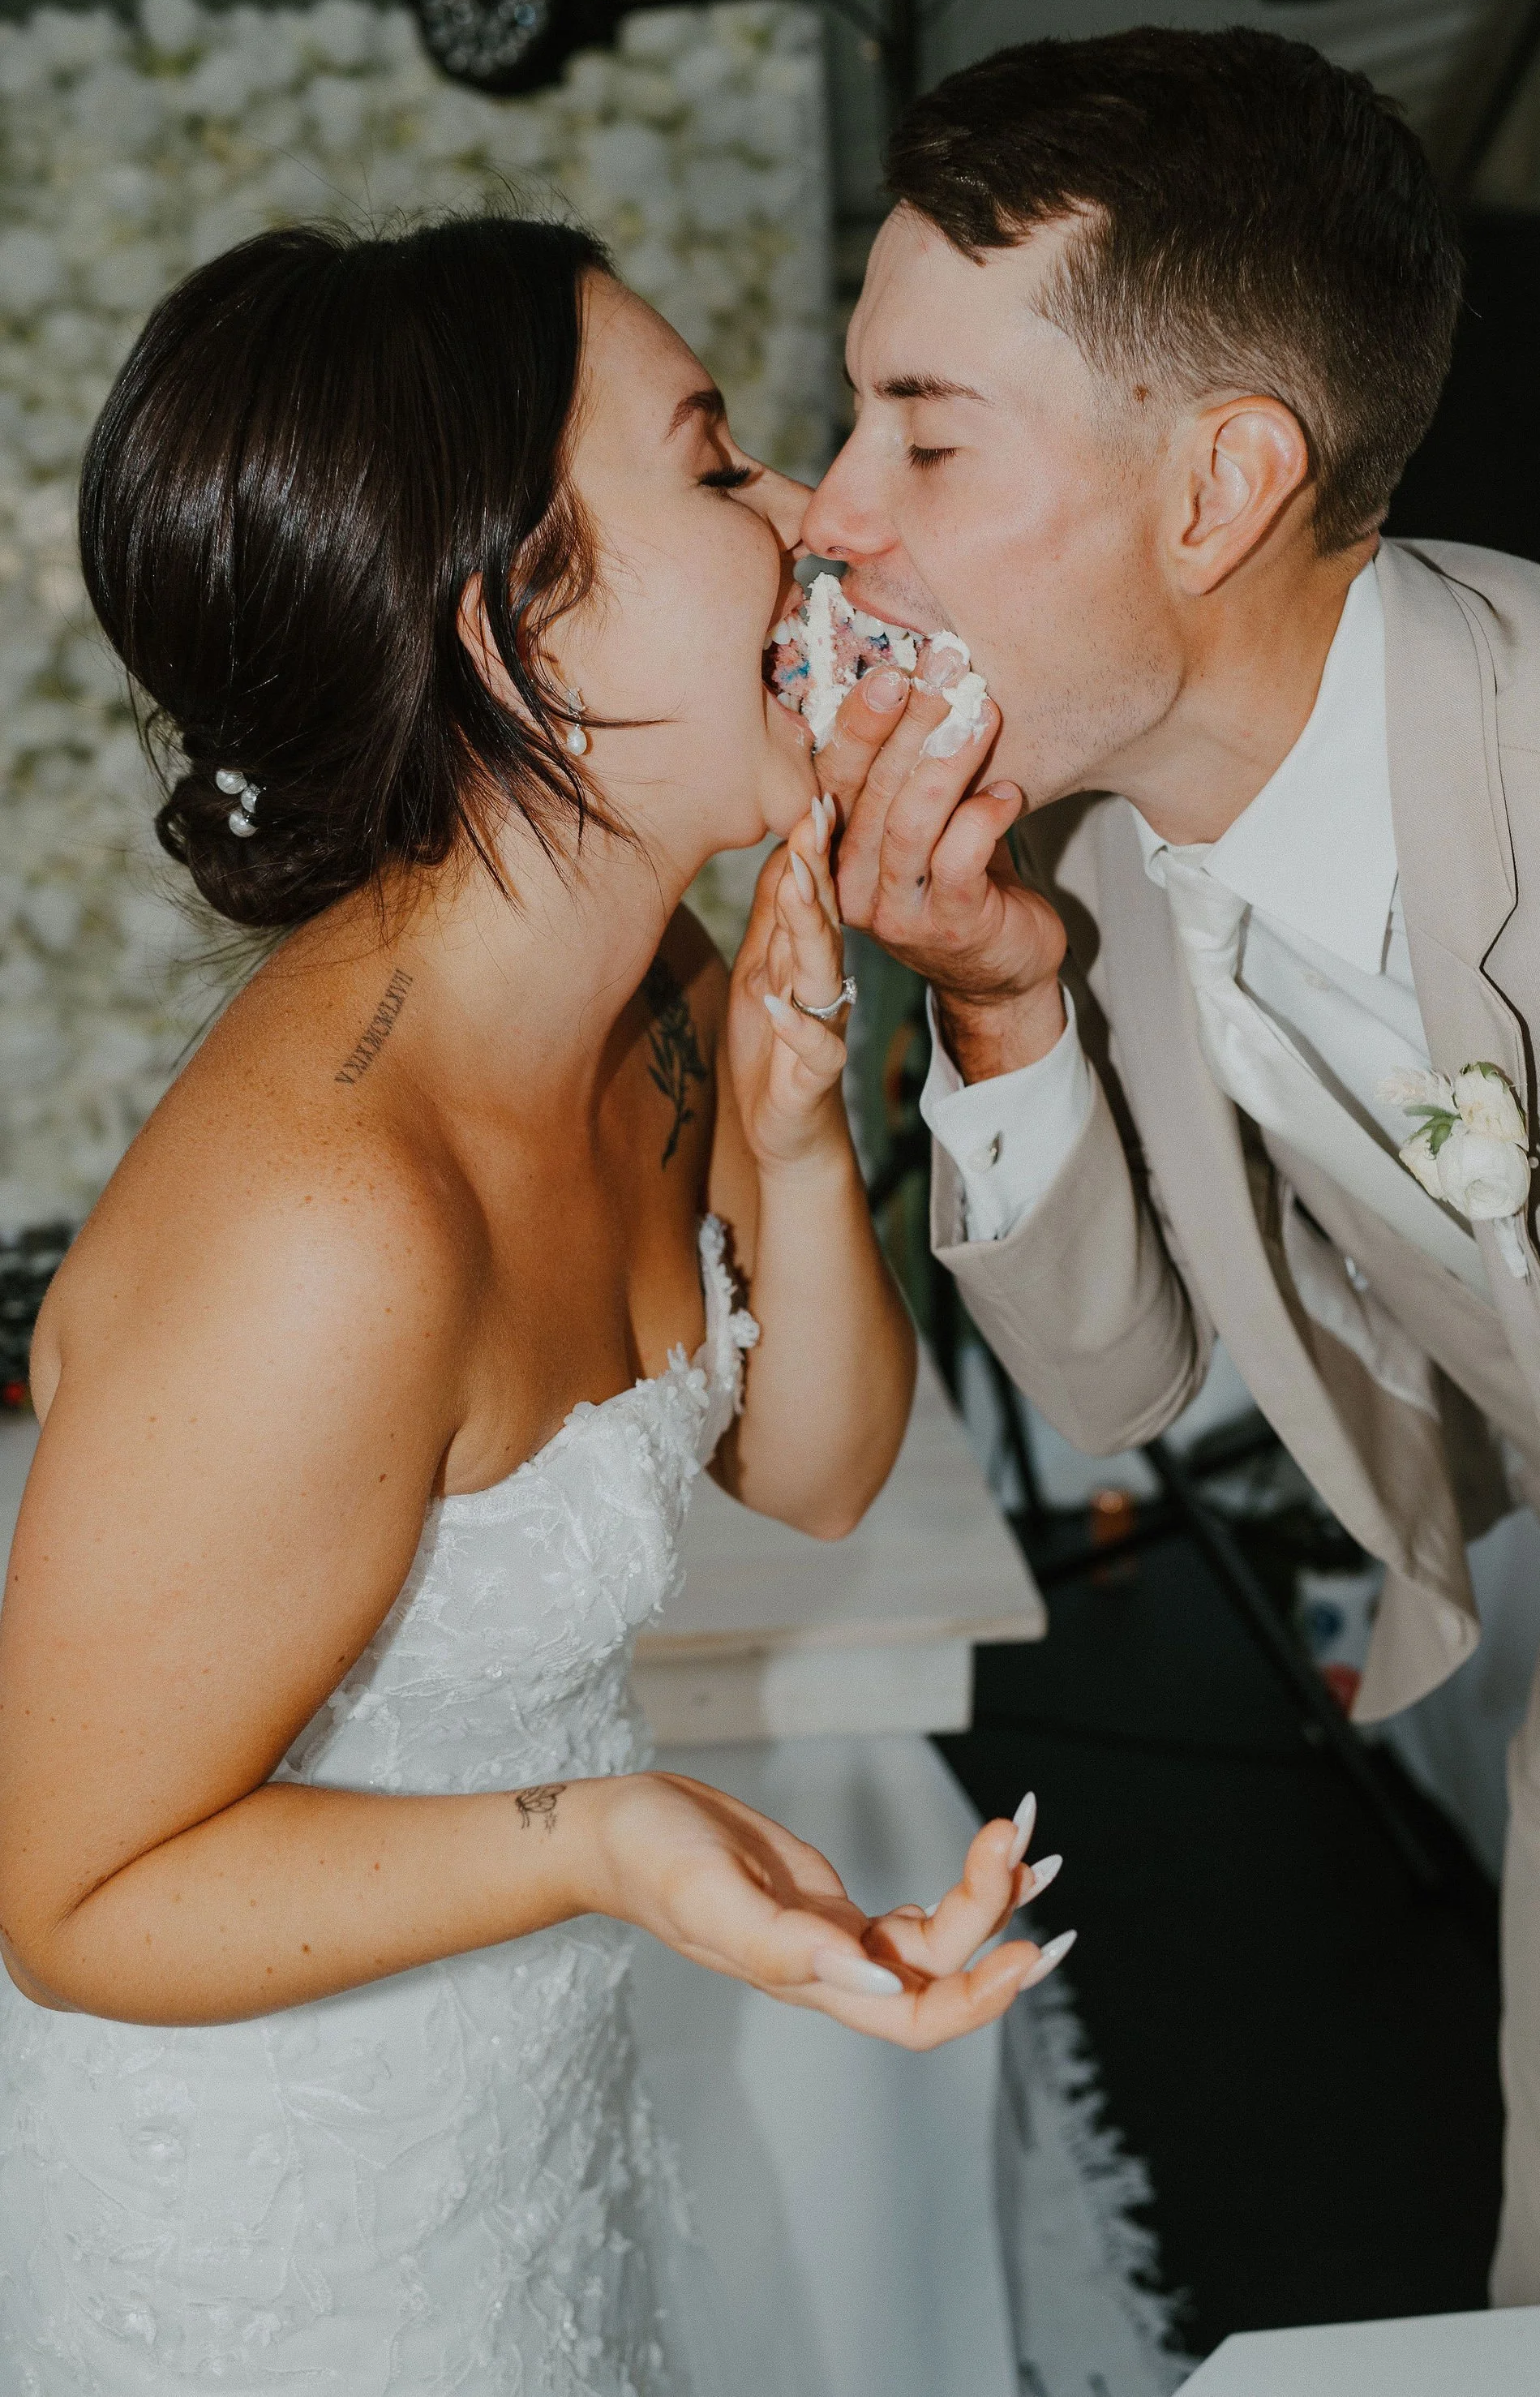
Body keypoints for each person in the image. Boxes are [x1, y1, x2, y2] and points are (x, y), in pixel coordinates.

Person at [0, 216, 1068, 2392]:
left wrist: (783, 1134)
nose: (809, 520)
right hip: (274, 2234)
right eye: (714, 463)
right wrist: (600, 1832)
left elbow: (822, 1464)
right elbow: (75, 1897)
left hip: (527, 2119)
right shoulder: (325, 1220)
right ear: (514, 626)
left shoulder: (659, 991)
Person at [800, 25, 1540, 2307]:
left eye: (922, 430)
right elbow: (1113, 1378)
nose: (829, 512)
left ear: (1219, 490)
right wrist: (997, 993)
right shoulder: (1091, 834)